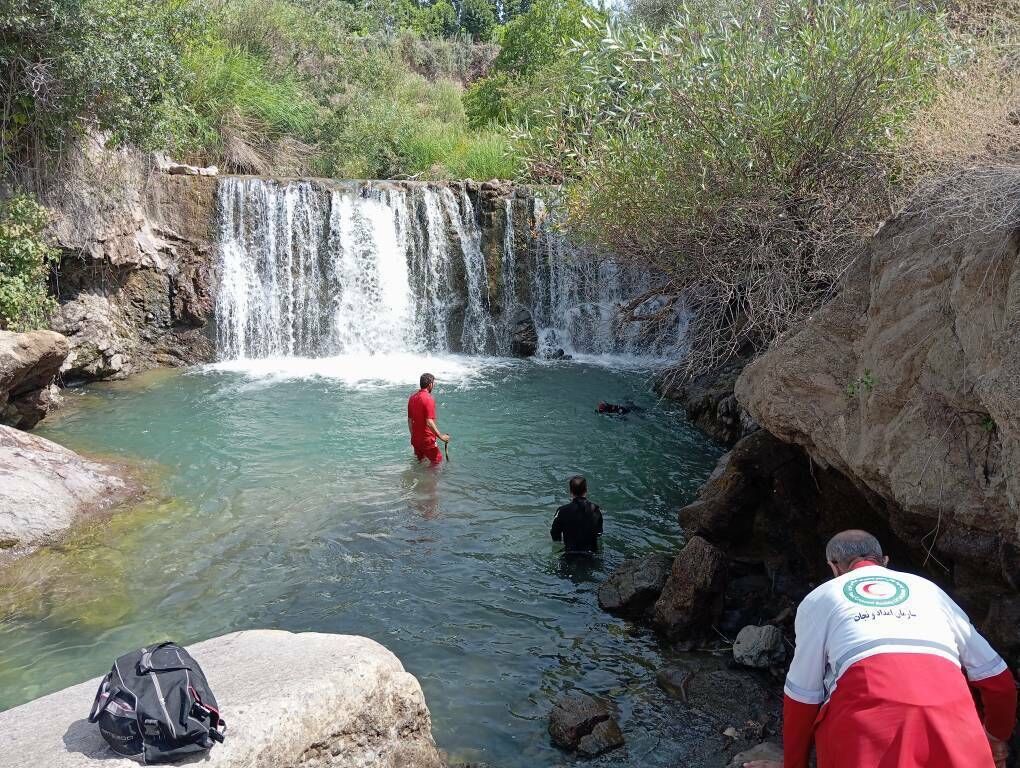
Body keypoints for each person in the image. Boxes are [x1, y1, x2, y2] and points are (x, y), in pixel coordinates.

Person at [744, 529, 1017, 768]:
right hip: (954, 729)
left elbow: (802, 698)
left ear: (833, 567)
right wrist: (994, 738)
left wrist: (794, 765)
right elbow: (998, 681)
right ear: (885, 561)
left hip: (869, 734)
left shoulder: (820, 598)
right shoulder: (929, 590)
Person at [550, 476, 603, 554]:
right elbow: (599, 534)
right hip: (591, 554)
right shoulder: (596, 510)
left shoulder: (562, 511)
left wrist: (559, 543)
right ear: (586, 490)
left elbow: (554, 533)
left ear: (570, 491)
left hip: (570, 553)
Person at [407, 372, 449, 465]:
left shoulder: (412, 398)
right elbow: (429, 422)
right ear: (430, 384)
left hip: (415, 440)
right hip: (427, 440)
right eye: (433, 383)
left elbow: (409, 421)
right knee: (437, 462)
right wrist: (441, 437)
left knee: (420, 463)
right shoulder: (429, 398)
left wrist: (414, 437)